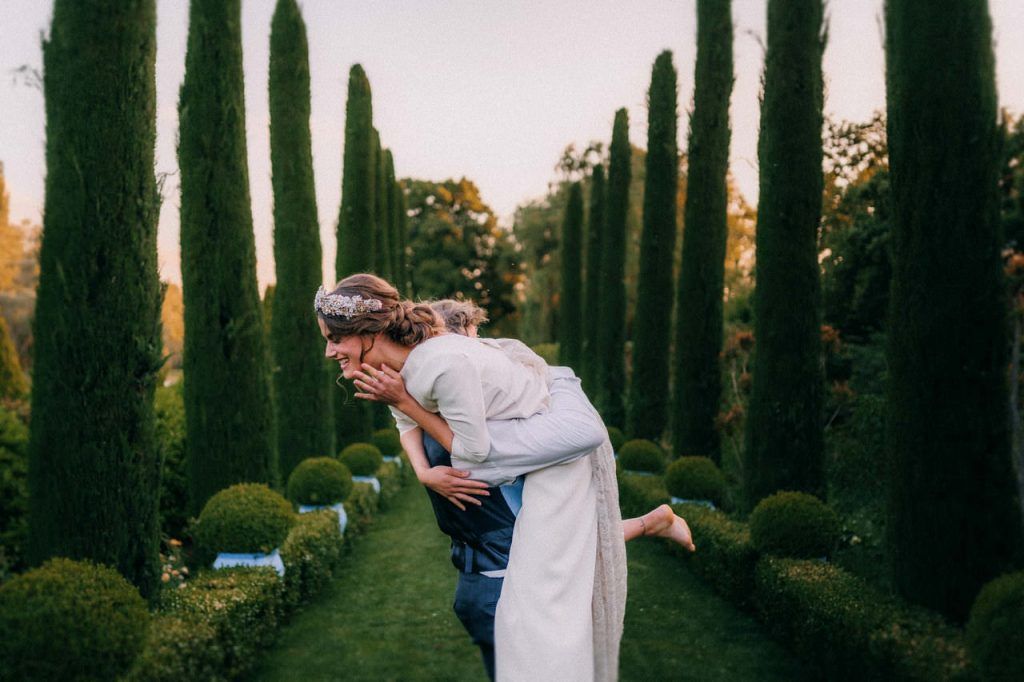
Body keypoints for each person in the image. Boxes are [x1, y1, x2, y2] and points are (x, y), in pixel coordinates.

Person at [314, 274, 691, 682]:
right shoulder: (411, 368)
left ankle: (652, 520)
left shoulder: (445, 367)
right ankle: (654, 522)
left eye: (334, 338)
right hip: (488, 540)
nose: (329, 350)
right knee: (558, 545)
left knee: (555, 565)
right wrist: (423, 471)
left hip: (536, 461)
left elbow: (474, 452)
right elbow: (408, 417)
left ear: (366, 330)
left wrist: (558, 379)